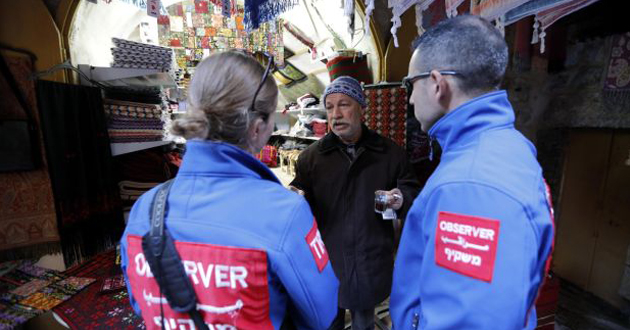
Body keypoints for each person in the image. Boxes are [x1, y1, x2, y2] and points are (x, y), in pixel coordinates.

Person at [120, 51, 339, 330]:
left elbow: (141, 304)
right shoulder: (283, 213)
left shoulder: (146, 208)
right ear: (258, 128)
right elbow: (322, 313)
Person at [391, 15, 555, 329]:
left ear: (437, 84)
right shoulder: (509, 147)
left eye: (410, 85)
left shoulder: (470, 184)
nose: (410, 98)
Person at [290, 76, 420, 330]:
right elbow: (299, 191)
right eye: (329, 107)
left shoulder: (390, 154)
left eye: (344, 105)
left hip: (370, 257)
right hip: (327, 259)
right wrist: (294, 196)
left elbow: (412, 191)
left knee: (363, 322)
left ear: (361, 108)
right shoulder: (311, 159)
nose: (336, 114)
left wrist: (400, 197)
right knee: (329, 321)